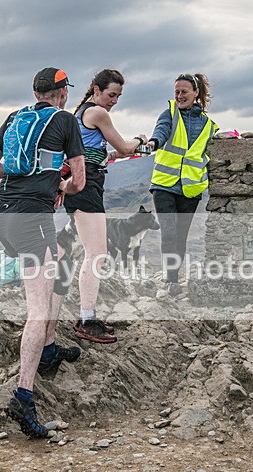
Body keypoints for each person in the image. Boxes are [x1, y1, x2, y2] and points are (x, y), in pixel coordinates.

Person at [0, 67, 86, 438]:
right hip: (32, 219)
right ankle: (23, 395)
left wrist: (31, 179)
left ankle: (50, 348)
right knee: (37, 311)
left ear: (35, 90)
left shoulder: (15, 117)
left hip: (2, 214)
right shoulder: (65, 121)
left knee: (62, 268)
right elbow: (80, 182)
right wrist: (58, 184)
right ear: (61, 93)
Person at [66, 68, 148, 343]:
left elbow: (92, 150)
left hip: (85, 185)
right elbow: (125, 148)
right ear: (97, 90)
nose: (114, 100)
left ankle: (88, 315)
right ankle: (86, 319)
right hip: (87, 187)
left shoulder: (83, 113)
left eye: (119, 96)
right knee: (96, 253)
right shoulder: (98, 113)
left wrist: (113, 151)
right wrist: (142, 140)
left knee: (94, 253)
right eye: (112, 94)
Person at [146, 73, 218, 296]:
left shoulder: (208, 125)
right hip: (164, 184)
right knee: (168, 232)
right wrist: (154, 142)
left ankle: (174, 276)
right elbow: (162, 130)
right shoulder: (169, 113)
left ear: (196, 93)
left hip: (190, 188)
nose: (179, 96)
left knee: (181, 235)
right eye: (176, 91)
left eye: (184, 92)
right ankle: (171, 279)